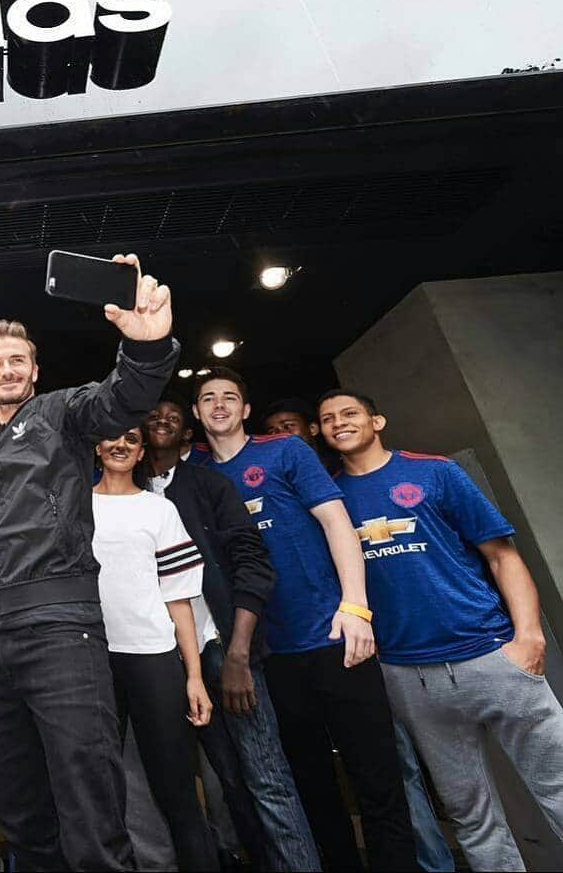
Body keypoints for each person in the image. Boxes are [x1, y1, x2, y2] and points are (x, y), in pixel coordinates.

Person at [0, 253, 177, 870]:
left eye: (16, 360)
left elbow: (121, 400)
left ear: (34, 369)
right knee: (20, 813)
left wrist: (146, 347)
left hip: (61, 632)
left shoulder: (60, 414)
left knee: (89, 804)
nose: (6, 369)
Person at [321, 388, 563, 871]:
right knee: (471, 816)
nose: (339, 423)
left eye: (350, 414)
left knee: (559, 787)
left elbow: (502, 555)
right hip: (411, 678)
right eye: (328, 419)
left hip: (492, 655)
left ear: (378, 420)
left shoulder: (434, 472)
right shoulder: (327, 498)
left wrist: (530, 637)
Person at [193, 368, 416, 872]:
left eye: (231, 397)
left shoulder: (284, 451)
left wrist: (355, 605)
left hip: (334, 635)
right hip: (272, 656)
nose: (221, 405)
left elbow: (337, 521)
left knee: (377, 779)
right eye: (209, 398)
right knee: (314, 787)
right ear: (197, 413)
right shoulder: (199, 477)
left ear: (246, 410)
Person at [144, 396, 320, 872]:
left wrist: (241, 653)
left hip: (224, 648)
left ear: (188, 434)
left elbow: (252, 564)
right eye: (153, 415)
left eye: (174, 417)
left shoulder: (208, 484)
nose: (162, 420)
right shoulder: (122, 494)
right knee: (226, 783)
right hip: (165, 659)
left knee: (266, 778)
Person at [92, 426, 219, 871]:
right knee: (99, 794)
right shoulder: (74, 506)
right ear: (96, 446)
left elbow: (179, 596)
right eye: (111, 436)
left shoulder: (159, 509)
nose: (121, 445)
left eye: (131, 439)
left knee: (176, 789)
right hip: (91, 660)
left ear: (142, 450)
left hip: (153, 656)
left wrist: (195, 675)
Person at [261, 397, 340, 475]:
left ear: (313, 429)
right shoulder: (276, 478)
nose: (280, 435)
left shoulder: (340, 466)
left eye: (288, 426)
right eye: (272, 432)